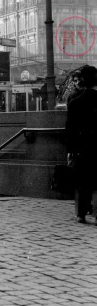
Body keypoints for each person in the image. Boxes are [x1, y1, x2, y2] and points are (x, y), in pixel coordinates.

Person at [65, 65, 97, 224]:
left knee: (82, 181)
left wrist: (70, 150)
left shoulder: (75, 103)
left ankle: (80, 214)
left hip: (82, 147)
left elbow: (69, 129)